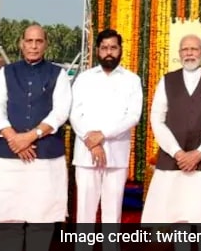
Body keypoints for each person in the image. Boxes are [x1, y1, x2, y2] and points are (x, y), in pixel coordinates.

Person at [0, 24, 72, 251]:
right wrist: (14, 139)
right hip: (7, 157)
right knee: (7, 217)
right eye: (29, 41)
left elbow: (60, 111)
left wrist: (30, 136)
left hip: (44, 157)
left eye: (38, 41)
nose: (33, 46)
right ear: (21, 44)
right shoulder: (7, 72)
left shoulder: (58, 74)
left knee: (41, 218)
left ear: (46, 44)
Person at [140, 32, 201, 247]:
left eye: (194, 49)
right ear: (179, 53)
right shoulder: (167, 80)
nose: (189, 53)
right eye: (185, 49)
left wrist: (200, 152)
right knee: (178, 217)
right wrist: (177, 153)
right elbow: (157, 118)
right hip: (175, 161)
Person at [68, 29, 143, 242]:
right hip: (86, 154)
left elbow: (133, 116)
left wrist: (103, 136)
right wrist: (92, 143)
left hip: (116, 156)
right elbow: (75, 114)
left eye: (113, 47)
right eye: (104, 48)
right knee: (84, 214)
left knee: (112, 215)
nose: (108, 52)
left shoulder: (132, 80)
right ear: (97, 51)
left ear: (120, 50)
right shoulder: (84, 78)